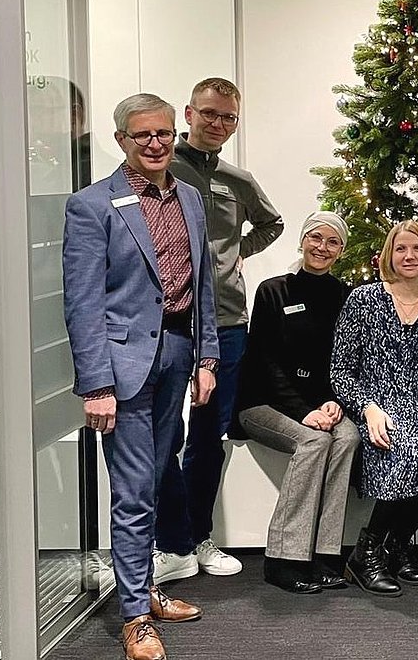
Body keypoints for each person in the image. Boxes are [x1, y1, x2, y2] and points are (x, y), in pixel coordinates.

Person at [63, 93, 218, 660]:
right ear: (122, 141)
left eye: (165, 134)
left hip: (179, 353)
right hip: (124, 368)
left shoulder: (191, 198)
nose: (156, 145)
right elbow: (82, 304)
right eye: (143, 136)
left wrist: (206, 359)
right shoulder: (92, 205)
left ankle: (144, 588)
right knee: (132, 493)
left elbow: (202, 285)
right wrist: (97, 384)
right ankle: (134, 618)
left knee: (154, 481)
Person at [154, 77, 284, 584]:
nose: (217, 124)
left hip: (227, 321)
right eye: (209, 114)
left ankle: (198, 536)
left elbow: (270, 224)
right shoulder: (162, 167)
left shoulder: (238, 179)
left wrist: (232, 258)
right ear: (188, 113)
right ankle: (170, 542)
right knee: (166, 434)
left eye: (228, 117)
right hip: (168, 322)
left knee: (209, 437)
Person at [329, 220, 418, 597]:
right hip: (377, 404)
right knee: (404, 453)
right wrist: (367, 408)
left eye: (417, 249)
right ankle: (367, 551)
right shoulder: (363, 299)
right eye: (401, 249)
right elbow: (341, 370)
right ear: (388, 255)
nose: (409, 256)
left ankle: (396, 542)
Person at [237, 212, 360, 594]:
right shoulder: (273, 291)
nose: (322, 247)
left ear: (341, 250)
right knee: (315, 441)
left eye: (332, 242)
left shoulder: (345, 297)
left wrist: (333, 402)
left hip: (320, 405)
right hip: (263, 403)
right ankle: (283, 557)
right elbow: (264, 362)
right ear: (302, 241)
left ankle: (324, 554)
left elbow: (343, 360)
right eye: (316, 238)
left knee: (347, 437)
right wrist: (304, 411)